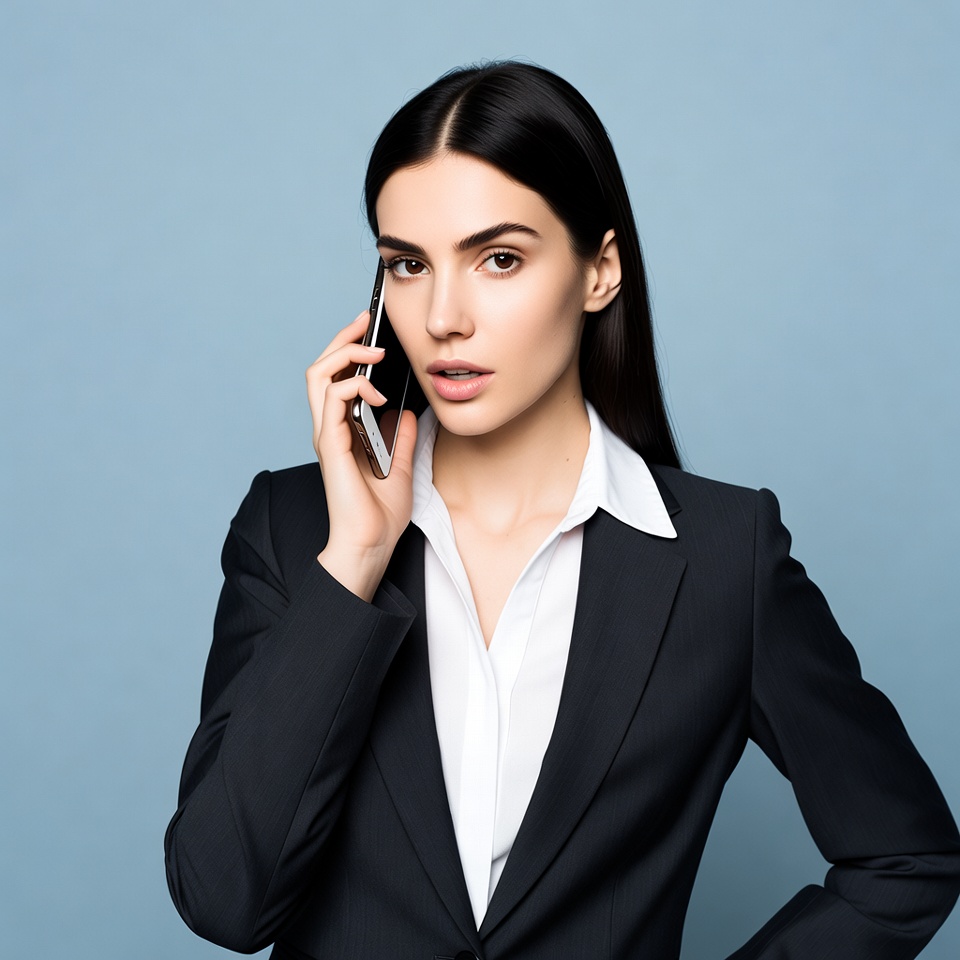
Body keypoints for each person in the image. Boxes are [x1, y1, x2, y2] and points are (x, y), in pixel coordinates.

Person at [165, 61, 960, 959]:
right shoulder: (291, 529)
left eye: (498, 259)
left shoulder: (722, 560)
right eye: (409, 266)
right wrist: (354, 559)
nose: (445, 318)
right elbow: (222, 901)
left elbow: (907, 857)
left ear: (599, 273)